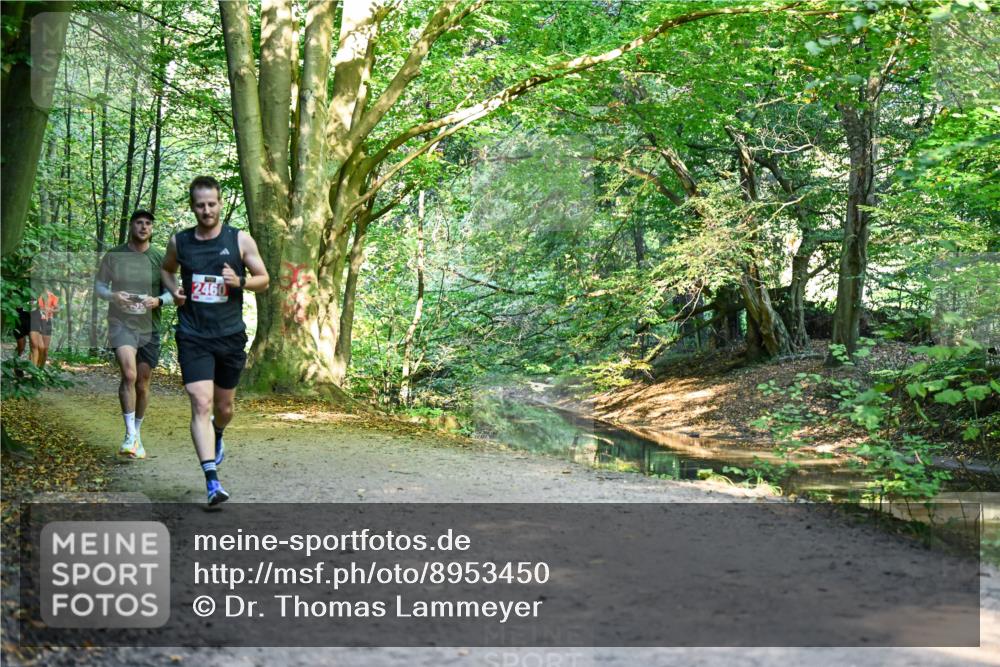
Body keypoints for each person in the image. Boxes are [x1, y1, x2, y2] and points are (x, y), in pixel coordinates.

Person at [161, 176, 269, 506]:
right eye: (200, 205)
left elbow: (264, 279)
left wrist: (240, 281)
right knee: (200, 402)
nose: (206, 210)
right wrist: (173, 289)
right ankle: (211, 481)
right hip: (193, 334)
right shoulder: (180, 242)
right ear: (192, 206)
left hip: (229, 335)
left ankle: (218, 433)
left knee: (223, 408)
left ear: (220, 204)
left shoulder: (239, 240)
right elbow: (167, 271)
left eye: (211, 204)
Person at [95, 210, 172, 459]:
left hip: (150, 327)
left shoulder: (160, 257)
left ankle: (136, 434)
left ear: (152, 228)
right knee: (128, 374)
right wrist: (112, 296)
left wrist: (158, 300)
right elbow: (99, 285)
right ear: (131, 226)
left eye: (148, 223)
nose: (143, 226)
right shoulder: (114, 255)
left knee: (142, 383)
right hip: (121, 323)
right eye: (139, 222)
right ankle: (129, 435)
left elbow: (174, 291)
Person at [12, 291, 59, 368]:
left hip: (34, 319)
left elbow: (54, 307)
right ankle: (16, 364)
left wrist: (48, 310)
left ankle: (35, 372)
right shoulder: (20, 288)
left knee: (36, 346)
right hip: (20, 318)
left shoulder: (42, 291)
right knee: (21, 347)